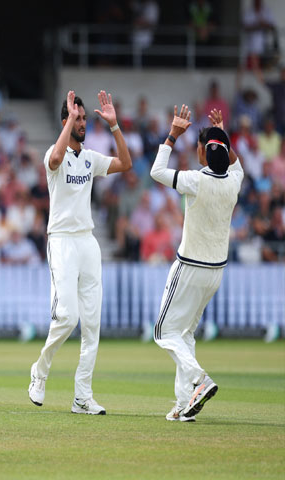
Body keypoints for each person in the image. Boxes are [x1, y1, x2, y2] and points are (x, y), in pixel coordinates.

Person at [28, 90, 132, 414]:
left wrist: (114, 126)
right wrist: (69, 120)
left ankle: (82, 397)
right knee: (67, 317)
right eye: (77, 118)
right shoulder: (53, 153)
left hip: (87, 242)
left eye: (85, 118)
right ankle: (39, 371)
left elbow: (125, 163)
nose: (83, 123)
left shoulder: (90, 158)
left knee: (92, 324)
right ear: (65, 121)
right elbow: (56, 160)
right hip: (61, 241)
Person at [150, 106, 243, 422]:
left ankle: (199, 379)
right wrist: (222, 134)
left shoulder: (195, 180)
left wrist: (173, 135)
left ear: (203, 152)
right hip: (215, 273)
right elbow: (236, 164)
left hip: (189, 267)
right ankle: (183, 404)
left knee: (163, 332)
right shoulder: (234, 181)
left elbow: (157, 172)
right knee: (185, 333)